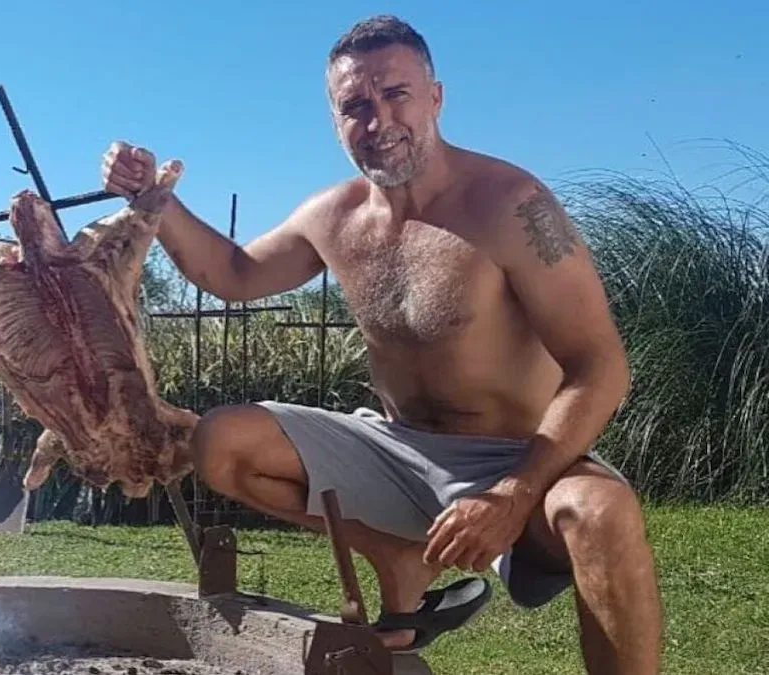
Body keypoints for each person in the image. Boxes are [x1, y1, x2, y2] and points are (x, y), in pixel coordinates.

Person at [100, 13, 662, 674]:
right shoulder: (332, 217)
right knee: (220, 440)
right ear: (335, 119)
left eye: (396, 94)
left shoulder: (514, 204)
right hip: (393, 449)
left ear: (436, 98)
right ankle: (397, 555)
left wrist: (513, 491)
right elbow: (232, 274)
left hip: (512, 456)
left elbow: (600, 365)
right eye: (356, 106)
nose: (379, 121)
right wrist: (154, 199)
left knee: (600, 511)